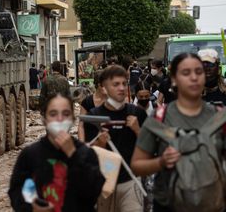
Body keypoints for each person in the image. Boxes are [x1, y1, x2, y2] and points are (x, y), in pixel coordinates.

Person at [131, 53, 218, 212]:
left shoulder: (219, 117)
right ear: (174, 79)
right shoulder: (159, 118)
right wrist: (161, 162)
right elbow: (137, 165)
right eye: (186, 73)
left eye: (199, 72)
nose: (194, 77)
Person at [8, 93, 105, 212]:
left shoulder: (86, 153)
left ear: (73, 119)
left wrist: (73, 154)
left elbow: (94, 192)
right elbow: (16, 191)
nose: (59, 119)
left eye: (66, 114)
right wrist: (31, 208)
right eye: (53, 114)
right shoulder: (30, 154)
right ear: (44, 119)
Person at [84, 65, 147, 212]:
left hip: (131, 181)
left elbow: (150, 149)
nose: (122, 88)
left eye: (124, 84)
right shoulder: (93, 116)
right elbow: (88, 154)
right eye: (116, 84)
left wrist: (138, 130)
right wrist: (100, 142)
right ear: (104, 88)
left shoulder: (137, 113)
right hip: (104, 183)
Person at [78, 70, 106, 141]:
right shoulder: (87, 102)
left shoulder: (111, 101)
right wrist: (82, 145)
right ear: (99, 85)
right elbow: (81, 125)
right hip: (90, 142)